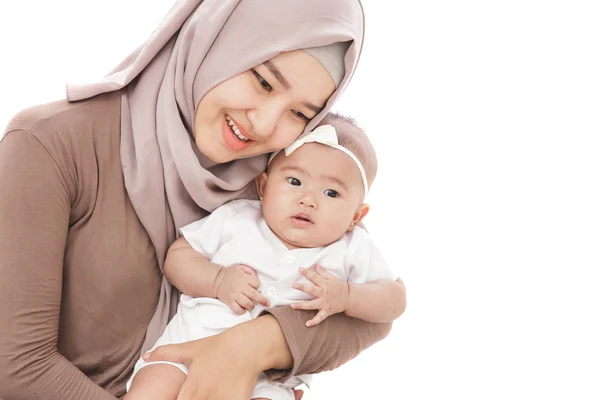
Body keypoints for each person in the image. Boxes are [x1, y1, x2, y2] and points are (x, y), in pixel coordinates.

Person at [0, 1, 405, 399]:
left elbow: (370, 313)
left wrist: (253, 345)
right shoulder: (49, 143)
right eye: (263, 81)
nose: (263, 124)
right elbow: (17, 368)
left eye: (300, 113)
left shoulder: (282, 174)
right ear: (214, 37)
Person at [124, 115, 406, 400]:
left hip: (271, 381)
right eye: (294, 181)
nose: (308, 199)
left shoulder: (352, 248)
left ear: (356, 216)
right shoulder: (237, 218)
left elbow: (394, 301)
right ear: (263, 187)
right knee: (154, 388)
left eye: (331, 192)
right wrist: (218, 280)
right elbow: (178, 256)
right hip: (186, 349)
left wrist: (347, 295)